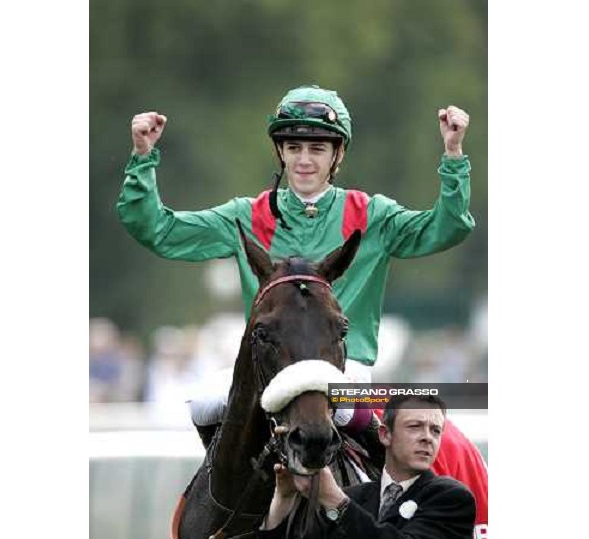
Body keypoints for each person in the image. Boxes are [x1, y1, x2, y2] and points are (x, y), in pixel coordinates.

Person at [116, 84, 475, 447]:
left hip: (345, 369)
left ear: (338, 155)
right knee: (204, 404)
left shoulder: (372, 214)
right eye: (294, 148)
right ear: (281, 153)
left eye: (317, 149)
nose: (304, 160)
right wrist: (143, 157)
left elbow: (447, 228)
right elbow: (160, 231)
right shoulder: (246, 215)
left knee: (347, 411)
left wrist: (453, 155)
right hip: (267, 369)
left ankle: (379, 493)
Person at [256, 394, 476, 539]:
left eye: (436, 430)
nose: (427, 438)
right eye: (415, 426)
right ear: (385, 434)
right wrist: (283, 498)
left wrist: (336, 501)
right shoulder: (355, 497)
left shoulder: (452, 497)